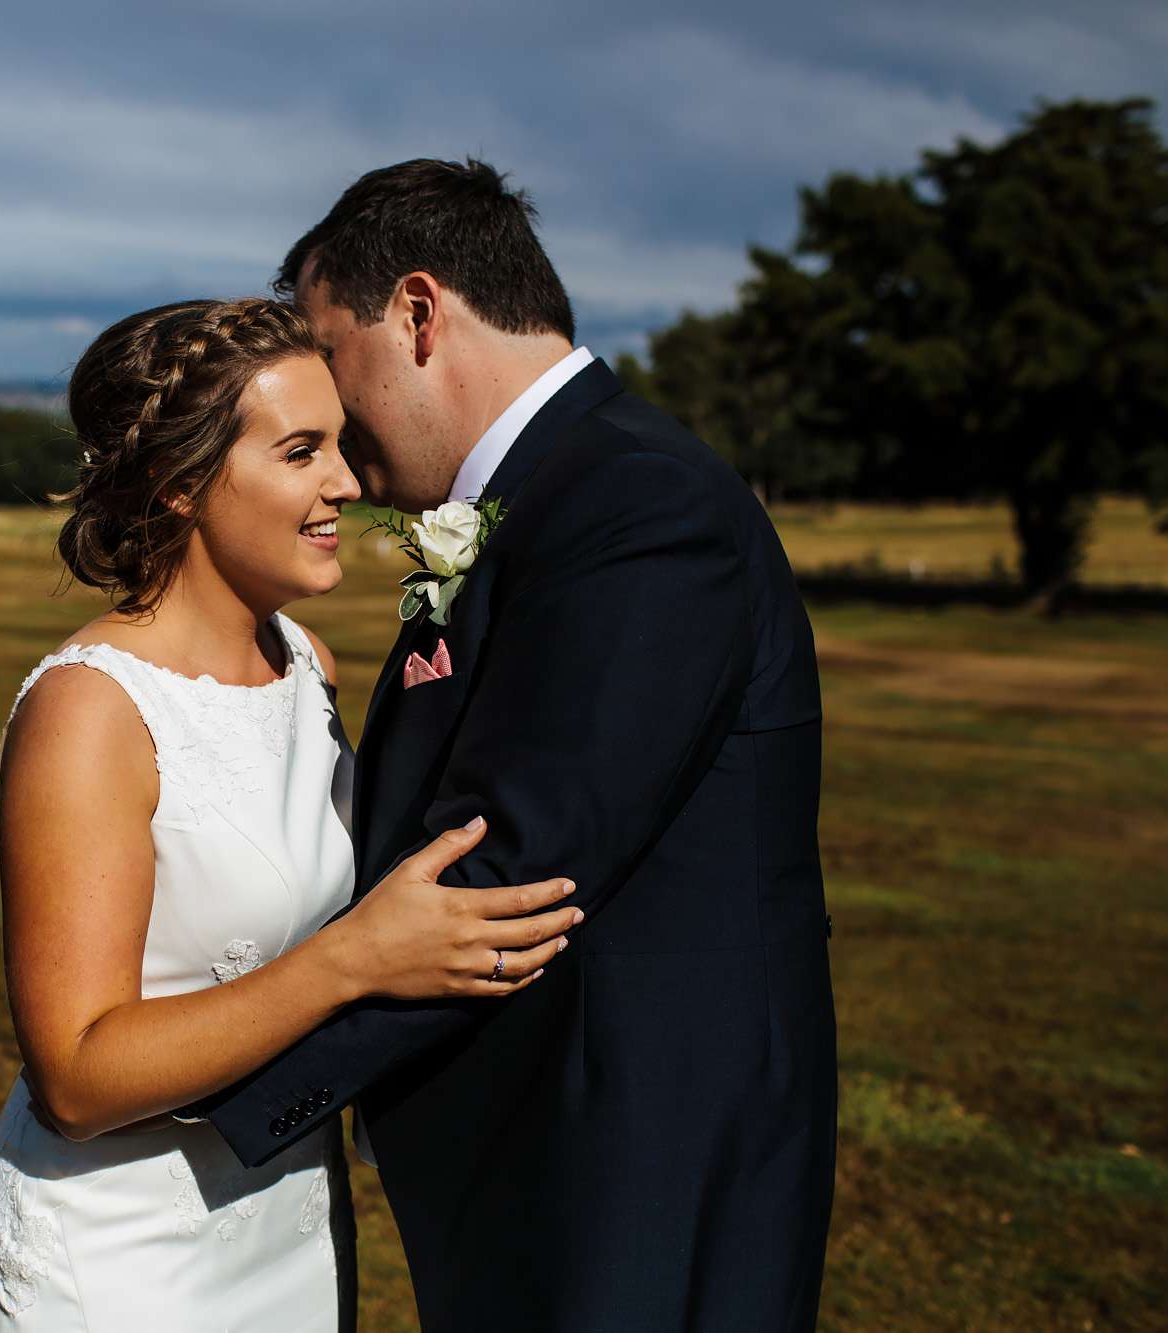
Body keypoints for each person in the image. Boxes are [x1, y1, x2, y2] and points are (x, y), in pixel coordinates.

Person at [185, 160, 838, 1330]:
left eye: (330, 358)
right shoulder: (549, 496)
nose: (327, 427)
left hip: (632, 1154)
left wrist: (202, 1092)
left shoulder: (636, 505)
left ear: (419, 314)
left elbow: (509, 869)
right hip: (547, 1140)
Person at [0, 297, 581, 1332]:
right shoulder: (91, 712)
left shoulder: (307, 665)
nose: (346, 482)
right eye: (301, 450)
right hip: (122, 1258)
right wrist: (354, 958)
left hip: (288, 1223)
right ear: (176, 485)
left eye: (340, 443)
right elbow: (73, 1073)